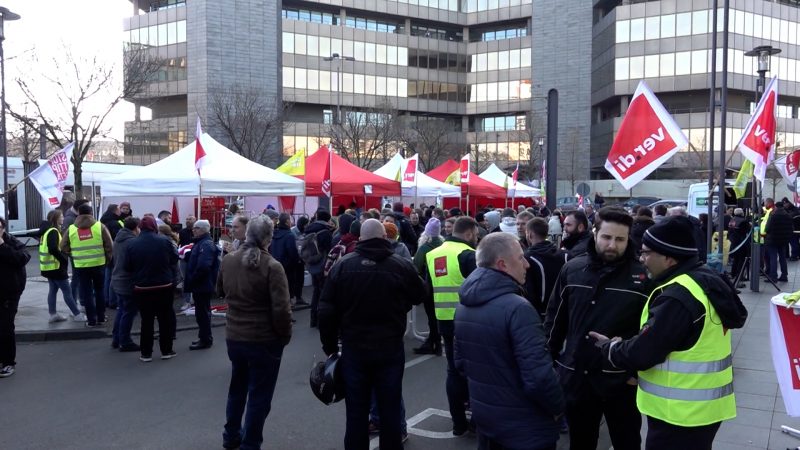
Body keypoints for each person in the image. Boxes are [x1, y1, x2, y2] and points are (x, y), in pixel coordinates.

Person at [591, 216, 747, 450]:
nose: (642, 259)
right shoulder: (704, 279)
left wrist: (610, 348)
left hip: (679, 415)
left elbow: (644, 352)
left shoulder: (678, 297)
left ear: (668, 258)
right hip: (703, 411)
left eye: (646, 253)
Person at [544, 207, 650, 450]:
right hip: (577, 377)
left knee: (627, 442)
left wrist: (636, 373)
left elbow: (649, 331)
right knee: (581, 442)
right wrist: (547, 363)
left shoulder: (642, 275)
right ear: (594, 233)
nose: (612, 244)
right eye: (607, 237)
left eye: (620, 239)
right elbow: (554, 320)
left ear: (628, 239)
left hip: (620, 381)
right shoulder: (572, 269)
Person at [319, 219, 425, 450]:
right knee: (389, 407)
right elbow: (420, 293)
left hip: (355, 348)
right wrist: (401, 306)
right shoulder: (400, 265)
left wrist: (329, 347)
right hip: (389, 347)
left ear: (360, 239)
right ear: (385, 238)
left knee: (356, 410)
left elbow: (326, 309)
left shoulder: (344, 266)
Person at [455, 233, 565, 450]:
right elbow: (539, 377)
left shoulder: (464, 306)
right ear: (502, 264)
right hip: (525, 426)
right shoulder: (518, 308)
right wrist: (559, 406)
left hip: (486, 418)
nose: (527, 265)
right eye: (521, 258)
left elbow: (461, 363)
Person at [217, 215, 293, 450]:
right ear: (268, 239)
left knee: (237, 388)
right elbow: (281, 309)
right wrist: (285, 335)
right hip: (263, 339)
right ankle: (250, 443)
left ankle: (231, 435)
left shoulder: (229, 260)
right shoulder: (272, 266)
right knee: (259, 395)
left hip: (235, 335)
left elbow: (219, 289)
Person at [425, 217, 479, 435]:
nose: (476, 238)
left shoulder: (433, 254)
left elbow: (429, 289)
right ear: (468, 233)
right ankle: (476, 422)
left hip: (444, 319)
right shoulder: (468, 254)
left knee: (453, 371)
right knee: (477, 371)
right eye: (475, 234)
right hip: (470, 320)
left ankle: (458, 424)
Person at [125, 216, 179, 362]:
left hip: (142, 287)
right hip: (164, 286)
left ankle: (146, 353)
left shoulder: (132, 244)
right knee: (165, 319)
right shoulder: (164, 241)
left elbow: (127, 267)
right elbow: (174, 259)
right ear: (154, 226)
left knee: (146, 320)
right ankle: (166, 350)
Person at [61, 203, 114, 327]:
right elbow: (109, 245)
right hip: (99, 264)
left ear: (78, 214)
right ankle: (101, 317)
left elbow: (62, 246)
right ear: (91, 213)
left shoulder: (72, 228)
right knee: (99, 291)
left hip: (80, 266)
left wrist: (72, 254)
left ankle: (91, 320)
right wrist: (107, 259)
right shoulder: (99, 226)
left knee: (87, 292)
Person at [0, 216, 31, 378]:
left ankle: (8, 362)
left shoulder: (12, 243)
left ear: (3, 228)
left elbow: (23, 258)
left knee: (5, 327)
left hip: (9, 293)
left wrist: (2, 246)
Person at [39, 210, 83, 323]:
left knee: (53, 290)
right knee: (67, 291)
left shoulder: (46, 231)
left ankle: (53, 314)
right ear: (55, 218)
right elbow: (53, 248)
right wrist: (63, 260)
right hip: (56, 268)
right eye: (61, 216)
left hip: (48, 268)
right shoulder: (53, 231)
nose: (63, 218)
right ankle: (77, 315)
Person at [185, 219, 220, 350]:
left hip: (202, 285)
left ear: (204, 229)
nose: (193, 230)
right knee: (201, 313)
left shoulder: (206, 245)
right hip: (201, 284)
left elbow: (204, 266)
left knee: (203, 313)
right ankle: (203, 337)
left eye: (196, 228)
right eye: (193, 228)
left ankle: (205, 339)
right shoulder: (201, 243)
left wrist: (193, 279)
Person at [524, 217, 568, 318]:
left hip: (541, 312)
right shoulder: (565, 255)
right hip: (564, 310)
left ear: (529, 234)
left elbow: (530, 290)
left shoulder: (528, 258)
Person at [412, 218, 444, 355]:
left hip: (429, 286)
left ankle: (434, 343)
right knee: (438, 316)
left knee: (431, 316)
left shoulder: (424, 248)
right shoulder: (444, 245)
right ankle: (435, 341)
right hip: (443, 284)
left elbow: (416, 267)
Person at [111, 217, 141, 352]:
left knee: (122, 310)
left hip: (117, 279)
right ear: (135, 228)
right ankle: (125, 341)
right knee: (128, 312)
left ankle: (117, 339)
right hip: (127, 281)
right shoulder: (132, 242)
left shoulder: (118, 239)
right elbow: (133, 263)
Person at [304, 209, 334, 328]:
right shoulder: (326, 232)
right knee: (323, 292)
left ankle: (313, 319)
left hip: (311, 263)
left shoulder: (309, 229)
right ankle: (321, 321)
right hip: (322, 264)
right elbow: (329, 249)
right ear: (328, 219)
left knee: (316, 291)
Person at [271, 213, 304, 306]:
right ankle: (286, 313)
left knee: (278, 290)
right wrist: (296, 261)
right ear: (287, 222)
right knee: (288, 290)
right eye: (290, 220)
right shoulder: (289, 235)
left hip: (275, 265)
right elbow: (293, 252)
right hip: (288, 267)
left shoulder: (274, 234)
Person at [764, 199, 793, 283]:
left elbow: (767, 228)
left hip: (772, 240)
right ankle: (784, 275)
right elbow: (791, 229)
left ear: (776, 206)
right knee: (782, 258)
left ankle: (773, 277)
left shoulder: (773, 215)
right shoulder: (787, 215)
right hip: (783, 240)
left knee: (773, 258)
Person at [727, 208, 751, 285]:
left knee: (735, 259)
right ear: (741, 213)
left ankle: (733, 273)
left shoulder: (732, 220)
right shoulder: (744, 221)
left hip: (733, 242)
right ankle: (739, 275)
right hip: (741, 242)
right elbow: (748, 231)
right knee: (741, 259)